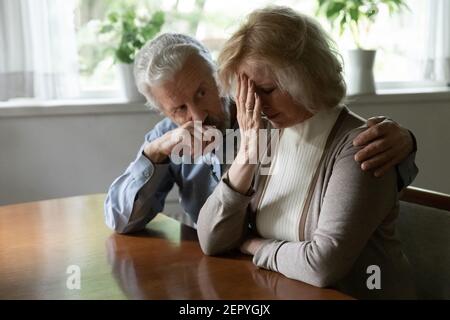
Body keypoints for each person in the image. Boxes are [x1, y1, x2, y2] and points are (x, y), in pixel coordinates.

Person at [196, 7, 417, 299]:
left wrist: (253, 245)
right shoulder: (263, 133)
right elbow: (212, 240)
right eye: (246, 92)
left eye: (266, 89)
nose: (256, 106)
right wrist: (247, 155)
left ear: (307, 77)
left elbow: (321, 265)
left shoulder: (362, 146)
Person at [104, 32, 417, 237]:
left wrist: (406, 143)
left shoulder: (267, 113)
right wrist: (155, 153)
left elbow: (334, 140)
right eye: (179, 109)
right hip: (212, 270)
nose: (198, 116)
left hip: (283, 266)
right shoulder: (166, 138)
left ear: (216, 76)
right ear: (163, 111)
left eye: (201, 93)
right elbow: (119, 220)